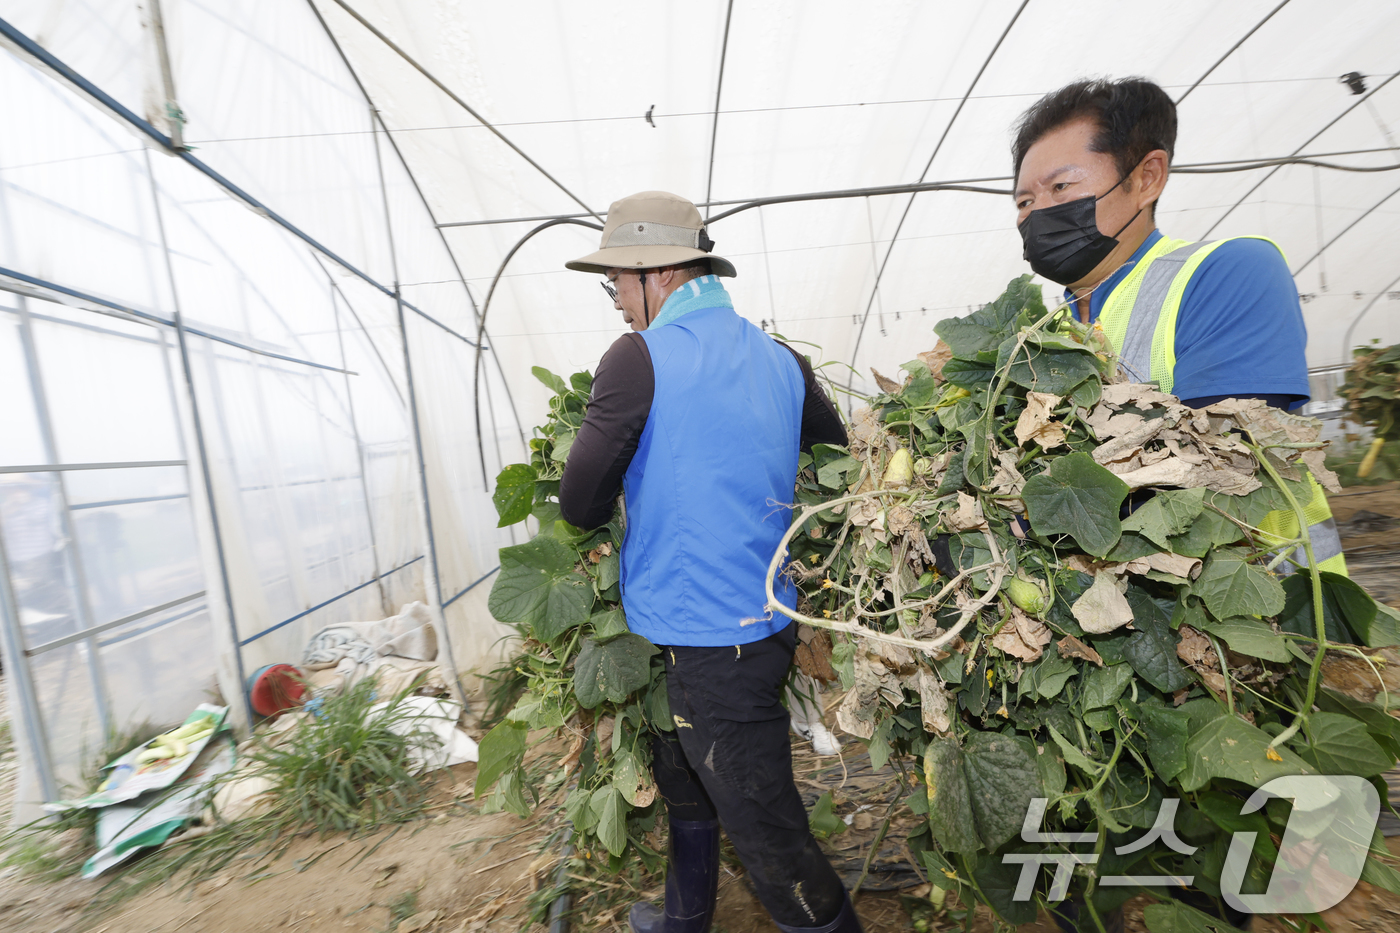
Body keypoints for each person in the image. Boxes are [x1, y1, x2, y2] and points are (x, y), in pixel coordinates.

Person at [558, 191, 858, 933]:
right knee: (686, 773)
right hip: (756, 615)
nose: (618, 304)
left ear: (656, 274)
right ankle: (686, 915)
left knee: (767, 827)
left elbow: (579, 501)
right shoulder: (780, 357)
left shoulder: (638, 359)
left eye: (616, 285)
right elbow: (834, 448)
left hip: (709, 636)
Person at [1012, 76, 1345, 579]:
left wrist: (1019, 524)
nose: (1038, 214)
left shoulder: (1226, 270)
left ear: (1147, 177)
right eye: (1023, 202)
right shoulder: (1038, 336)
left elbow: (1218, 458)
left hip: (1267, 626)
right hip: (1124, 638)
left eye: (1061, 186)